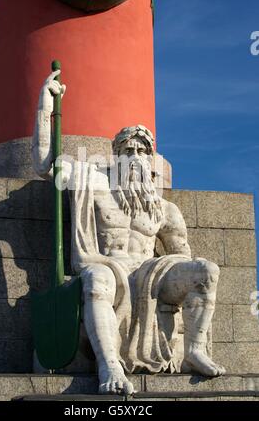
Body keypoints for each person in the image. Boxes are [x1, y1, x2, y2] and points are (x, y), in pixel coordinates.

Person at [32, 70, 225, 395]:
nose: (135, 157)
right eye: (127, 151)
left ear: (150, 159)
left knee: (205, 271)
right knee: (96, 279)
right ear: (116, 156)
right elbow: (44, 166)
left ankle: (194, 350)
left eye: (141, 151)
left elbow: (183, 255)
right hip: (108, 266)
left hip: (152, 274)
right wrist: (44, 108)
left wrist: (171, 275)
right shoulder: (93, 183)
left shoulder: (164, 209)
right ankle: (109, 365)